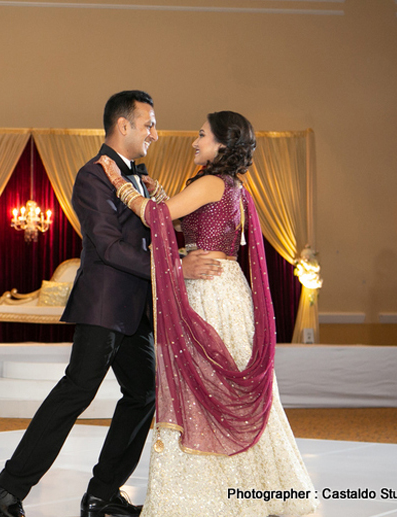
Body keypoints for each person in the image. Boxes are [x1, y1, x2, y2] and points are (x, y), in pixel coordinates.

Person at [0, 91, 222, 517]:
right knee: (77, 391)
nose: (155, 133)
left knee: (144, 392)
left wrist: (168, 223)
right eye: (149, 124)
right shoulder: (92, 175)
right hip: (105, 304)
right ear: (123, 125)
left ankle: (102, 495)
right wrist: (174, 267)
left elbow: (148, 232)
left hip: (135, 311)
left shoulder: (139, 177)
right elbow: (108, 248)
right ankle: (7, 487)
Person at [100, 111, 319, 517]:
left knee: (205, 388)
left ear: (222, 145)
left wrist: (118, 182)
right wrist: (164, 194)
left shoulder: (211, 182)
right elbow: (197, 226)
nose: (194, 141)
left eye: (201, 135)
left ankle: (200, 499)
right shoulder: (231, 185)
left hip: (209, 291)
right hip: (227, 287)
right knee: (225, 389)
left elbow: (154, 218)